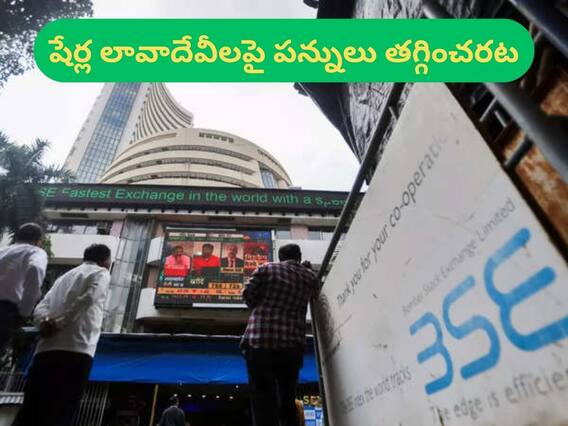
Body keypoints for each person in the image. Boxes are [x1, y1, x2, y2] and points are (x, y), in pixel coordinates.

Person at [13, 244, 112, 426]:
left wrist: (44, 323)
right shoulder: (101, 273)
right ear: (105, 260)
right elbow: (88, 298)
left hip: (45, 350)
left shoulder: (63, 277)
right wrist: (59, 323)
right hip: (76, 349)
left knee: (31, 410)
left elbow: (41, 307)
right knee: (61, 409)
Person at [241, 243, 318, 426]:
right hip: (292, 345)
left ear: (280, 257)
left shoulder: (266, 268)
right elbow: (316, 294)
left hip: (260, 341)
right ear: (299, 256)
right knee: (287, 397)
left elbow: (247, 295)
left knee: (262, 397)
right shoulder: (310, 277)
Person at [0, 223, 48, 357]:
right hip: (5, 311)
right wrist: (24, 313)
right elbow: (35, 269)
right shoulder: (35, 251)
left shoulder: (3, 251)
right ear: (38, 241)